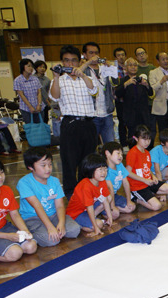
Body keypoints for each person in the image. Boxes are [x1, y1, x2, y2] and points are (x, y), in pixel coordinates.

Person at [49, 44, 99, 196]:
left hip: (88, 123)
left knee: (88, 161)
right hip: (70, 124)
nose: (70, 64)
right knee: (69, 162)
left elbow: (94, 90)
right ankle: (71, 194)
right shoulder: (59, 80)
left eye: (74, 60)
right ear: (62, 62)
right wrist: (56, 77)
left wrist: (83, 74)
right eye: (66, 61)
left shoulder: (88, 77)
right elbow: (55, 97)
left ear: (79, 61)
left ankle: (86, 191)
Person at [17, 147, 81, 247]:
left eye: (50, 164)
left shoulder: (54, 181)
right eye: (43, 165)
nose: (48, 168)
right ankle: (30, 232)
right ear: (30, 167)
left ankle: (54, 228)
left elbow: (59, 205)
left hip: (53, 215)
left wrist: (61, 223)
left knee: (74, 230)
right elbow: (37, 206)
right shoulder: (24, 183)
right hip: (33, 218)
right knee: (52, 240)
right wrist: (50, 227)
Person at [66, 154, 116, 236]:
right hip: (77, 213)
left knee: (109, 197)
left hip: (88, 208)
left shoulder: (101, 181)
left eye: (105, 169)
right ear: (91, 170)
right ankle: (80, 224)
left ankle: (91, 220)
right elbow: (89, 207)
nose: (104, 172)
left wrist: (110, 218)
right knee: (99, 224)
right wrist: (96, 228)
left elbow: (105, 200)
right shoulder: (85, 186)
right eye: (100, 170)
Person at [126, 125, 168, 210]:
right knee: (157, 206)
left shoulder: (147, 152)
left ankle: (149, 194)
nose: (147, 142)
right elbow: (127, 172)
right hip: (138, 186)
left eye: (149, 139)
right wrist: (144, 180)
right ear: (136, 139)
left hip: (148, 182)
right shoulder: (132, 153)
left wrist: (153, 176)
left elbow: (147, 168)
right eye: (144, 139)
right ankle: (136, 198)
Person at [82, 41, 118, 145]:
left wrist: (111, 68)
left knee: (110, 145)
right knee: (91, 145)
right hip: (91, 114)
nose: (94, 56)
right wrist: (87, 63)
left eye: (96, 53)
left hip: (107, 112)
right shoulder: (83, 70)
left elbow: (116, 83)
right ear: (85, 55)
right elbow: (76, 74)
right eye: (91, 53)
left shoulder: (104, 68)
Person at [115, 58, 155, 147]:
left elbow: (151, 93)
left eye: (135, 65)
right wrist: (126, 84)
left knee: (146, 136)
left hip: (143, 114)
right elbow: (117, 94)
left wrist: (147, 85)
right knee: (132, 137)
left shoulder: (141, 79)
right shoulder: (123, 80)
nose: (133, 67)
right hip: (130, 115)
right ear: (125, 68)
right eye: (130, 65)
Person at [102, 141, 136, 215]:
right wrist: (113, 206)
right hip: (103, 198)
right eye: (118, 153)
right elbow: (109, 189)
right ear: (107, 153)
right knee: (115, 214)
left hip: (114, 195)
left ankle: (108, 210)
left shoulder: (120, 165)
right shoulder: (104, 169)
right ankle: (104, 210)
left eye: (121, 154)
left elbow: (126, 183)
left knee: (131, 207)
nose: (120, 156)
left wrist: (129, 200)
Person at [134, 47, 157, 142]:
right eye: (139, 54)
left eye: (143, 53)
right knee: (140, 127)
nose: (142, 55)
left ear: (147, 54)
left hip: (152, 103)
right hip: (139, 104)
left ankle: (150, 146)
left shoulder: (153, 68)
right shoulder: (135, 69)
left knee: (152, 126)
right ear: (136, 57)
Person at [14, 58, 43, 127]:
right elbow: (21, 95)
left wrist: (39, 104)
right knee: (31, 128)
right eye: (28, 66)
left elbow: (39, 92)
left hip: (38, 107)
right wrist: (30, 107)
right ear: (22, 67)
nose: (31, 68)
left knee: (40, 128)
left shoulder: (35, 78)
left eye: (32, 66)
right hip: (26, 109)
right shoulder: (18, 80)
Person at [112, 47, 128, 146]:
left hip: (130, 100)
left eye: (122, 55)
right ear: (115, 57)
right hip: (119, 100)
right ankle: (123, 143)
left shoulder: (129, 67)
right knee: (121, 122)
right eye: (118, 55)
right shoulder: (113, 70)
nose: (121, 57)